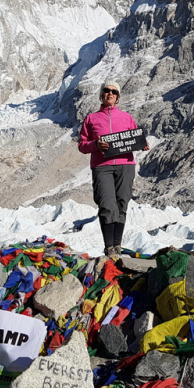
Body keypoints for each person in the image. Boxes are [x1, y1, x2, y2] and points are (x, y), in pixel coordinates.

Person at [77, 80, 149, 258]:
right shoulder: (91, 119)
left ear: (118, 97)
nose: (110, 94)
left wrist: (143, 143)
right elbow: (82, 145)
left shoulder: (127, 117)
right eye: (107, 91)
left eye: (114, 92)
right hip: (102, 167)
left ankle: (118, 245)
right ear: (101, 94)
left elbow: (136, 138)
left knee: (122, 205)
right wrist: (95, 145)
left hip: (126, 165)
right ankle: (109, 247)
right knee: (107, 206)